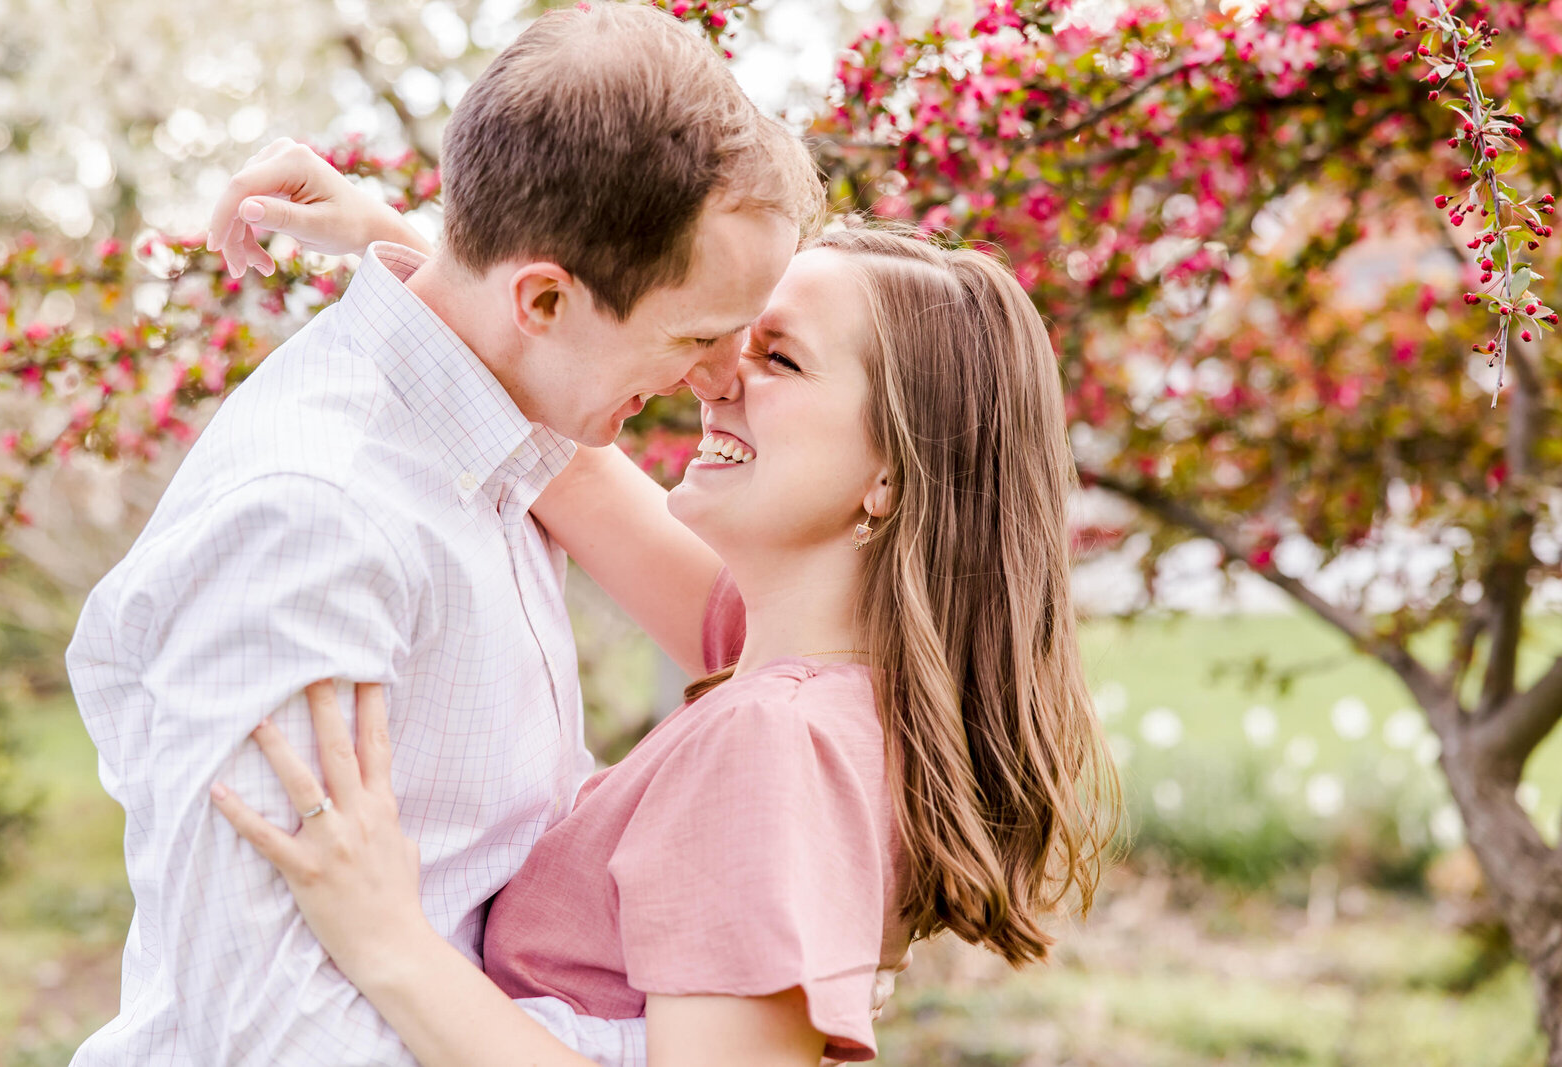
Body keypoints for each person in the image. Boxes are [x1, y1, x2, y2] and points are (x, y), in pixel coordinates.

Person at [205, 147, 1120, 1062]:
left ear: (889, 472)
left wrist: (389, 944)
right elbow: (568, 454)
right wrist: (437, 262)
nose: (713, 376)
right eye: (725, 337)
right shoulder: (817, 676)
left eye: (781, 359)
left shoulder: (775, 740)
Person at [64, 6, 822, 1065]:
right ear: (546, 295)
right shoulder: (314, 521)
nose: (715, 377)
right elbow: (270, 1033)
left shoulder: (500, 429)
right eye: (696, 333)